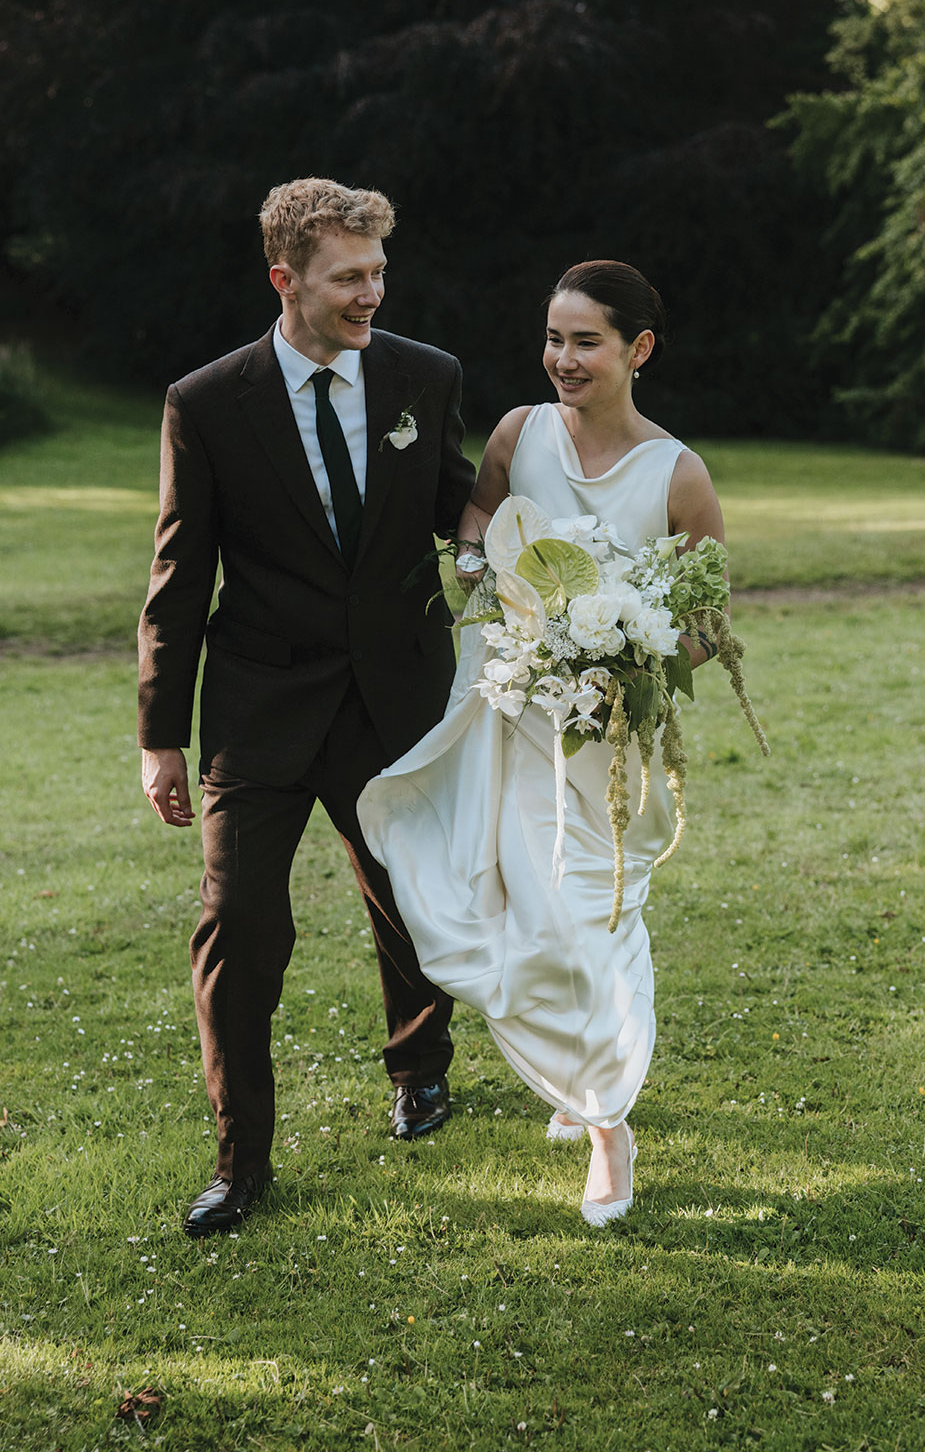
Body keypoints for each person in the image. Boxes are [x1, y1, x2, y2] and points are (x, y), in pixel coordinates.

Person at [138, 178, 475, 1237]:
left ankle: (420, 1069)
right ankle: (242, 1164)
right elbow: (180, 574)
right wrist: (161, 737)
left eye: (379, 272)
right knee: (238, 925)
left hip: (396, 697)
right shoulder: (207, 403)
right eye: (348, 278)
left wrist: (560, 565)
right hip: (261, 706)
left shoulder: (425, 375)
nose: (371, 294)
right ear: (286, 281)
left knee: (411, 902)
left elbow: (459, 504)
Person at [358, 260, 725, 1227]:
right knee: (528, 913)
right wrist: (484, 570)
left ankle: (610, 1129)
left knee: (589, 917)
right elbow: (480, 517)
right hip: (511, 719)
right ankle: (586, 1088)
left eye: (586, 342)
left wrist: (625, 657)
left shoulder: (677, 474)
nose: (563, 359)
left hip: (605, 744)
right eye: (554, 338)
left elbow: (706, 618)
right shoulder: (520, 434)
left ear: (639, 350)